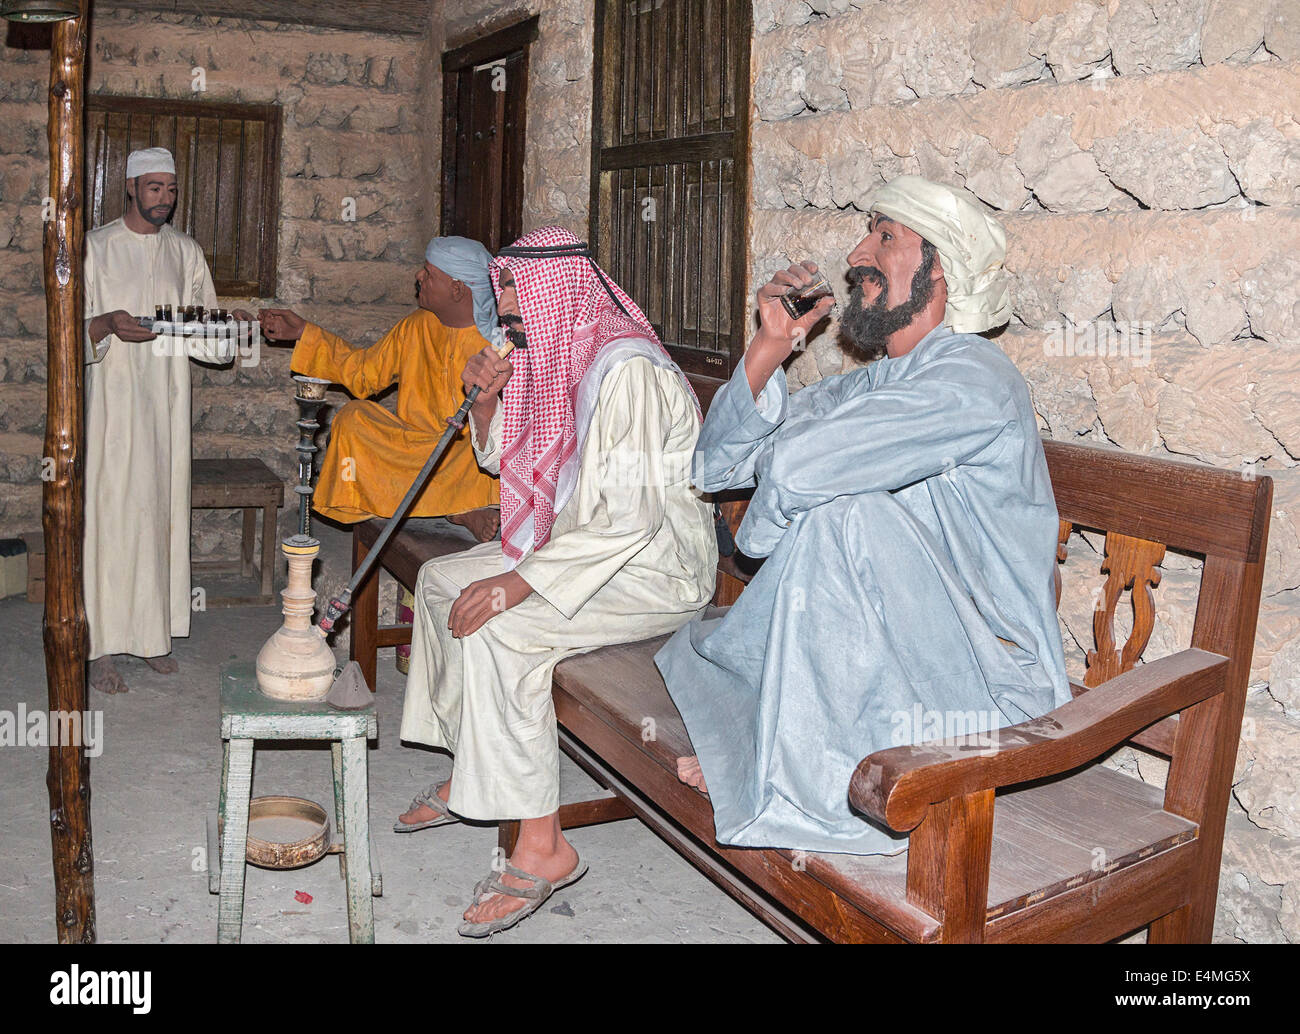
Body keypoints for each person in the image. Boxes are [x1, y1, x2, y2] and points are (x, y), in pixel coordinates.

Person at [655, 174, 1071, 856]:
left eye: (884, 237)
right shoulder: (878, 380)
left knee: (844, 515)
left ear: (941, 270)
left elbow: (795, 471)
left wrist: (760, 536)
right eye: (866, 234)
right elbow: (717, 468)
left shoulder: (973, 378)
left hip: (988, 682)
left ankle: (805, 779)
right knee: (835, 513)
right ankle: (777, 746)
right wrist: (769, 348)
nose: (857, 255)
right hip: (897, 656)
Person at [395, 226, 717, 936]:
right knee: (447, 581)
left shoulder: (626, 370)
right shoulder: (564, 348)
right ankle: (477, 765)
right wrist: (484, 401)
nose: (508, 325)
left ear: (553, 298)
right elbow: (520, 458)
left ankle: (544, 849)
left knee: (503, 625)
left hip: (653, 567)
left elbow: (630, 520)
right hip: (584, 543)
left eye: (514, 310)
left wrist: (523, 584)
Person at [83, 147, 228, 695]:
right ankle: (100, 647)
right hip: (111, 409)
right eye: (153, 188)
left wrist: (214, 326)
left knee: (158, 514)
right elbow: (71, 331)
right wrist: (105, 324)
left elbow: (213, 340)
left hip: (165, 405)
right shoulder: (96, 249)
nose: (163, 199)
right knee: (110, 518)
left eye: (170, 189)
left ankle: (152, 639)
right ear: (130, 187)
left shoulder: (186, 252)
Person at [243, 236, 502, 542]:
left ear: (457, 289)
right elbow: (364, 373)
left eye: (429, 274)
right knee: (353, 418)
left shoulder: (496, 347)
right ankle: (453, 506)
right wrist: (302, 332)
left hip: (460, 456)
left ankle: (459, 509)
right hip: (410, 449)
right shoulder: (415, 326)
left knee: (477, 454)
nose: (419, 277)